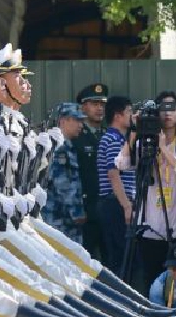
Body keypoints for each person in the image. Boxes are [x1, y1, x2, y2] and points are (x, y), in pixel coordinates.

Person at [116, 91, 176, 293]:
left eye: (173, 108)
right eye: (163, 109)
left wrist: (163, 148)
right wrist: (134, 133)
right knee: (153, 285)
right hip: (151, 229)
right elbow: (121, 163)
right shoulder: (144, 145)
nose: (168, 114)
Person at [97, 95, 135, 275]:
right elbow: (113, 174)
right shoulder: (112, 139)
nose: (132, 116)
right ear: (118, 116)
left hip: (120, 203)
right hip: (116, 204)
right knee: (119, 257)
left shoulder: (121, 140)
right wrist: (126, 205)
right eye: (129, 112)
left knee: (126, 258)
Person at [43, 102, 87, 244]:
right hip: (59, 217)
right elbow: (62, 183)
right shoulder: (59, 147)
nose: (81, 125)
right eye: (77, 120)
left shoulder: (68, 146)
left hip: (65, 217)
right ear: (63, 120)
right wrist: (76, 211)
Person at [73, 82, 108, 259]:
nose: (99, 108)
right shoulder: (76, 136)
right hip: (85, 211)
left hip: (106, 210)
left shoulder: (107, 135)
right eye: (95, 104)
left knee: (112, 262)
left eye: (102, 104)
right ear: (83, 106)